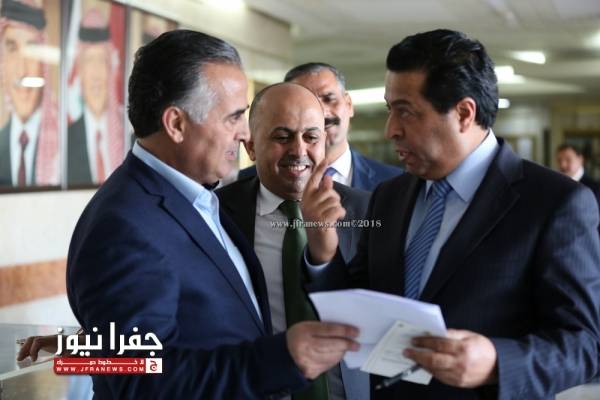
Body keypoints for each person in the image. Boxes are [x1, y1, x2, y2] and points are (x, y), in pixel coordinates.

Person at [301, 29, 600, 399]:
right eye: (390, 109)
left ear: (463, 113)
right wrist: (323, 253)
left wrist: (497, 363)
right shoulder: (389, 197)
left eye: (405, 112)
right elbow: (361, 307)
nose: (391, 130)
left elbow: (585, 346)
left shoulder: (555, 204)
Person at [66, 29, 359, 399]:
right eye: (233, 117)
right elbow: (141, 380)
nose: (244, 134)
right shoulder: (124, 227)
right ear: (176, 124)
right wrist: (282, 358)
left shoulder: (198, 198)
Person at [217, 82, 370, 400]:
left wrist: (323, 258)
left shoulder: (367, 211)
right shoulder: (217, 214)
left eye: (311, 137)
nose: (299, 151)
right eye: (282, 137)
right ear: (251, 147)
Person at [239, 62, 402, 192]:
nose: (320, 112)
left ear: (349, 104)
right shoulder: (238, 184)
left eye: (328, 99)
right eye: (306, 104)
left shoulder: (396, 184)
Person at [0, 0, 59, 187]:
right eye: (12, 49)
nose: (22, 70)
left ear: (43, 65)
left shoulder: (65, 145)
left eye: (31, 50)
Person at [67, 7, 124, 186]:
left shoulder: (127, 137)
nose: (96, 75)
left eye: (101, 61)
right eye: (89, 62)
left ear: (111, 70)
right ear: (80, 72)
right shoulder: (66, 141)